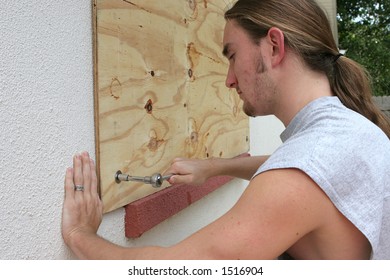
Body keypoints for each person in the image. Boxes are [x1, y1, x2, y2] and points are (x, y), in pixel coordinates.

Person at [62, 0, 390, 259]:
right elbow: (292, 165)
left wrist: (81, 236)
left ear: (274, 46)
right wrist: (215, 167)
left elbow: (169, 269)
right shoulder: (348, 133)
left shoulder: (299, 176)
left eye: (232, 56)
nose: (229, 79)